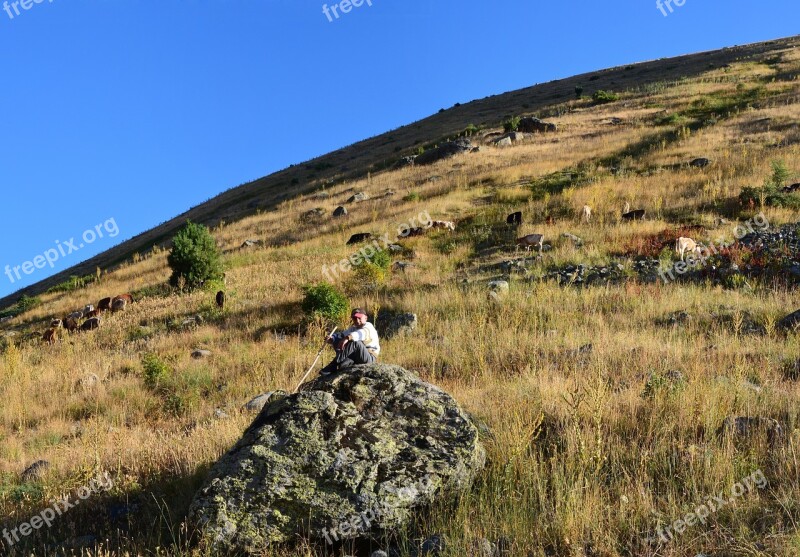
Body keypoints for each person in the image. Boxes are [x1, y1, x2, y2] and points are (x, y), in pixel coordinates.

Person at [319, 308, 380, 376]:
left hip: (369, 357)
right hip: (356, 357)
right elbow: (341, 335)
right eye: (354, 318)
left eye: (359, 317)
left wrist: (348, 338)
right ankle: (341, 363)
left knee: (355, 342)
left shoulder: (368, 326)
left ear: (366, 318)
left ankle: (334, 364)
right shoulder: (353, 328)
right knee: (338, 340)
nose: (357, 320)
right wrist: (332, 338)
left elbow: (360, 334)